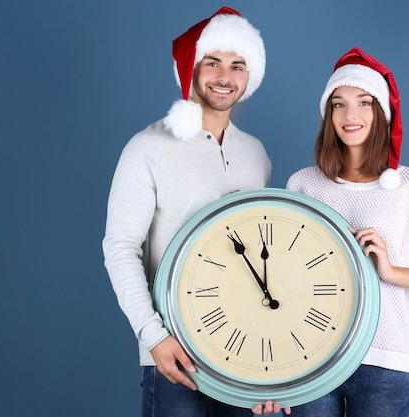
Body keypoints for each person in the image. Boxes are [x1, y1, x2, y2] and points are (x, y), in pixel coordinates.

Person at [102, 6, 287, 416]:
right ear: (190, 68)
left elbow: (262, 262)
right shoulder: (146, 148)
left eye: (238, 65)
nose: (225, 77)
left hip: (244, 358)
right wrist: (152, 336)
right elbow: (120, 247)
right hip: (175, 354)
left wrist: (270, 368)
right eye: (213, 62)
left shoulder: (257, 154)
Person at [285, 47, 409, 417]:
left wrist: (390, 271)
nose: (350, 115)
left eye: (364, 103)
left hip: (385, 365)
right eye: (338, 104)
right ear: (328, 114)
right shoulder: (303, 184)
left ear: (382, 113)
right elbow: (287, 279)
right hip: (311, 360)